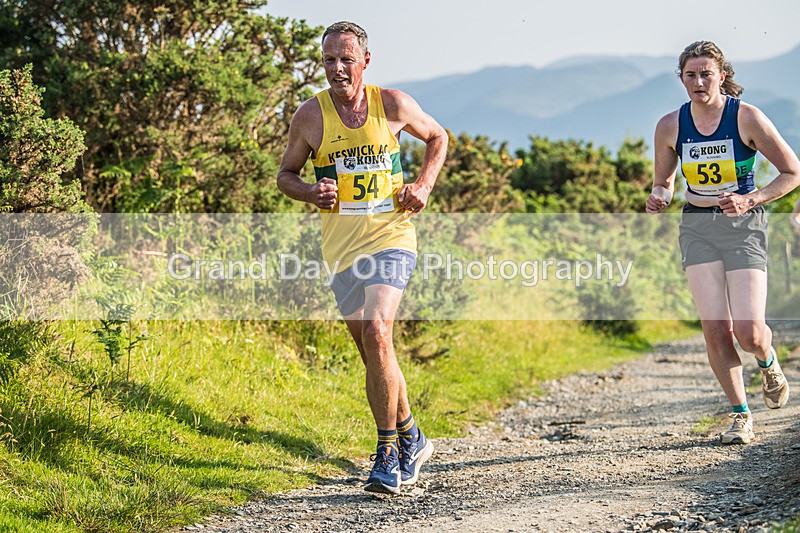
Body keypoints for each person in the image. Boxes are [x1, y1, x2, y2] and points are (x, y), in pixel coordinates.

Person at [276, 21, 447, 493]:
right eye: (329, 60)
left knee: (377, 330)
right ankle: (412, 435)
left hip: (392, 235)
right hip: (341, 248)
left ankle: (387, 453)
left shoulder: (391, 104)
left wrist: (423, 185)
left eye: (346, 59)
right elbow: (286, 174)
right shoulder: (310, 116)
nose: (337, 69)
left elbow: (438, 137)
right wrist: (310, 191)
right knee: (375, 351)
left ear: (365, 61)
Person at [646, 41, 800, 444]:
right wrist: (659, 196)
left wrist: (751, 199)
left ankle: (767, 361)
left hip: (744, 226)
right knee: (716, 330)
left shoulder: (746, 117)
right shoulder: (670, 125)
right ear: (681, 79)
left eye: (706, 74)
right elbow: (663, 181)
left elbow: (792, 172)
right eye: (690, 75)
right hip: (697, 226)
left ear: (722, 76)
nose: (699, 82)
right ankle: (741, 415)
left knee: (750, 333)